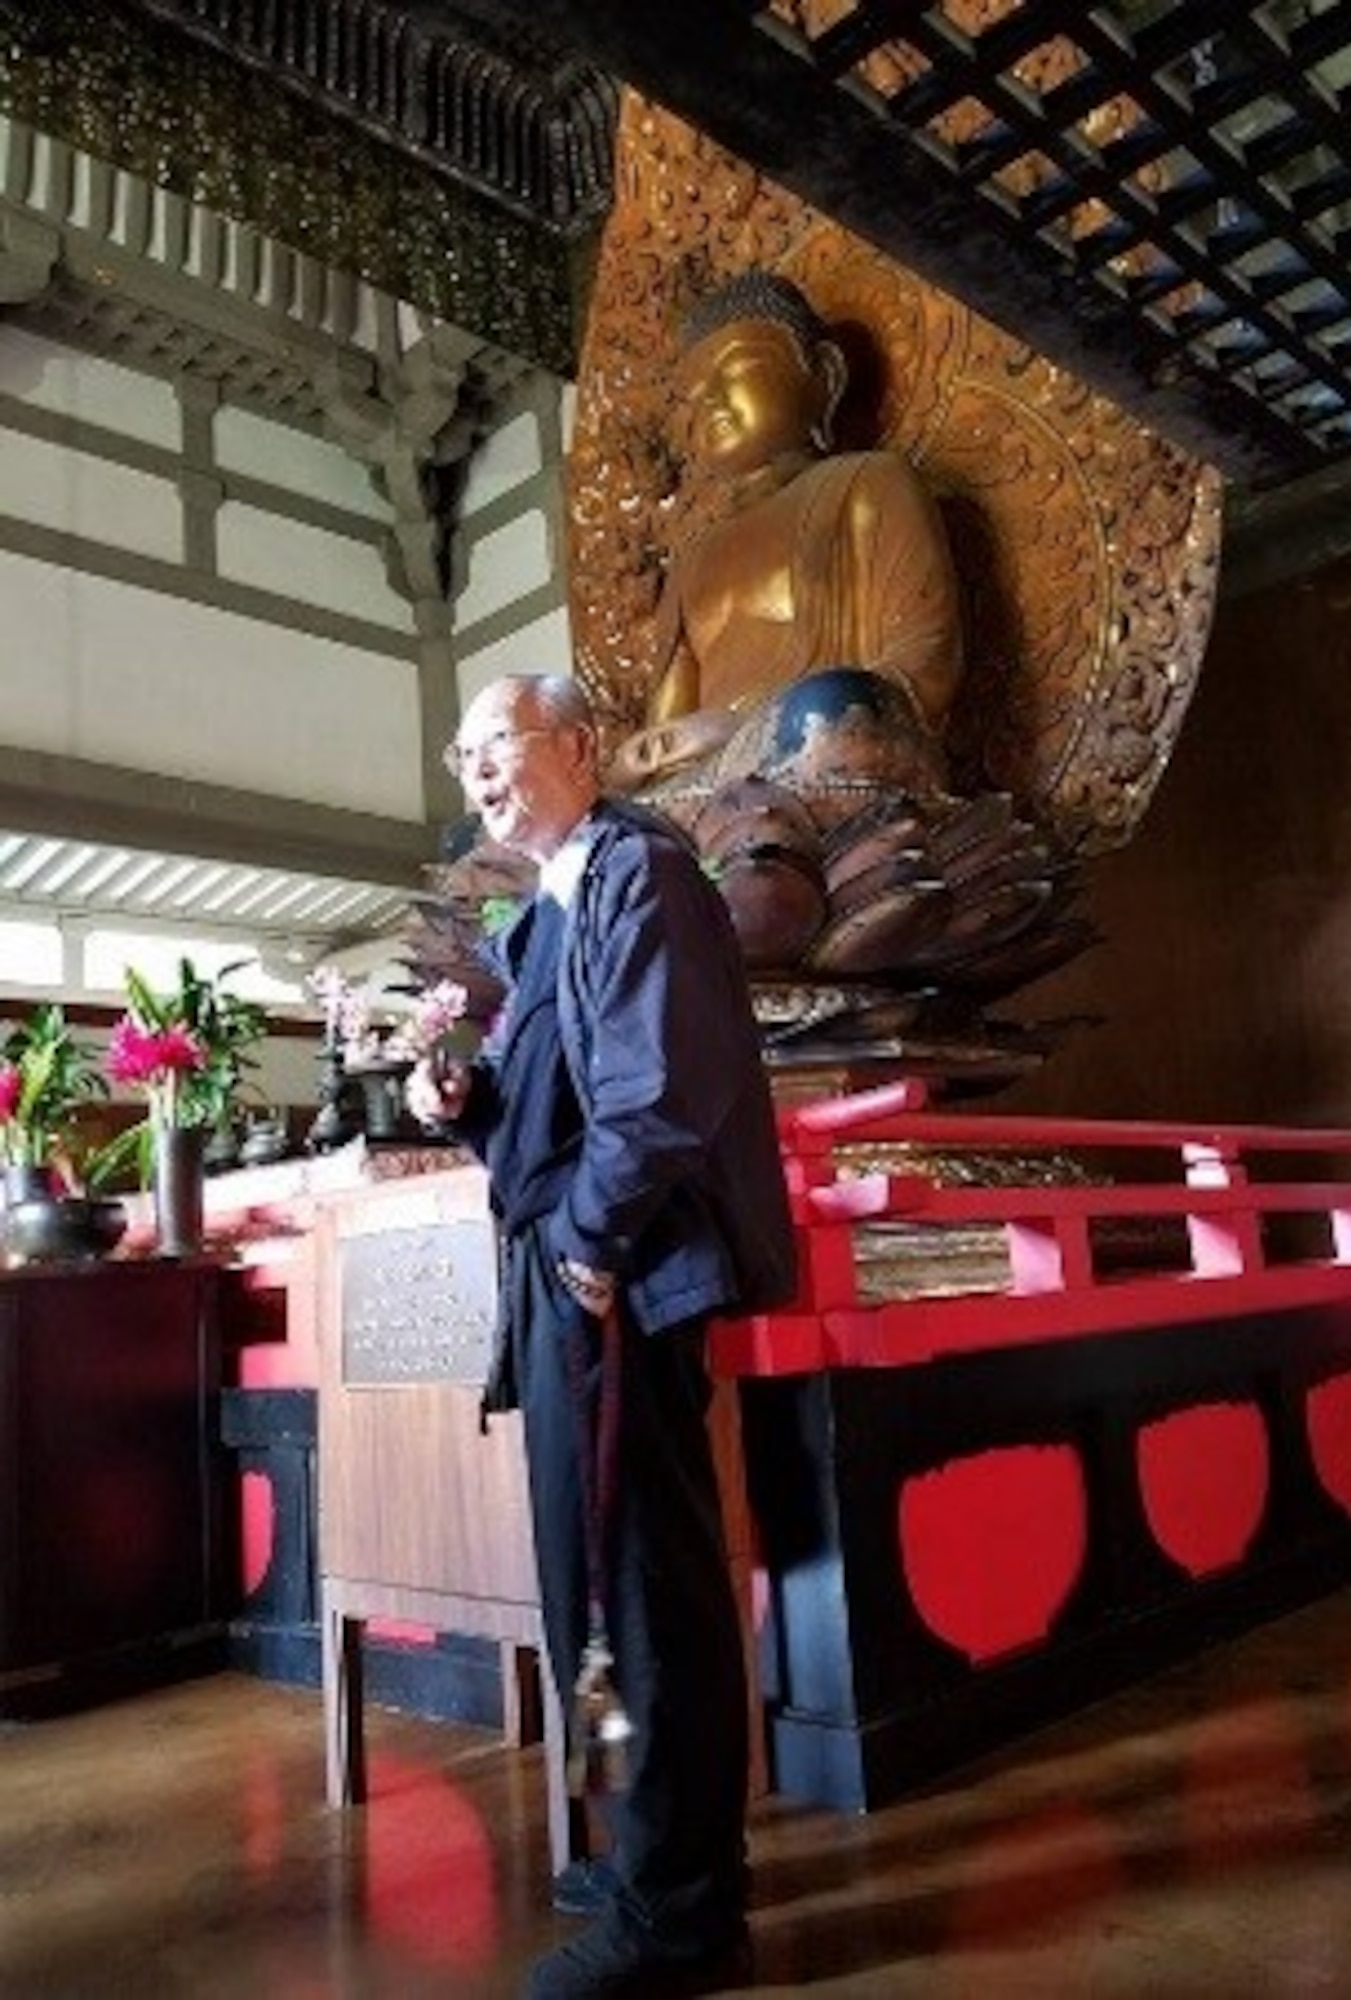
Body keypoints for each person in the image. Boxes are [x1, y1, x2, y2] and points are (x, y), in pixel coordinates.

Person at [407, 672, 796, 1999]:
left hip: (618, 1276)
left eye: (498, 743)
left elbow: (661, 1093)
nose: (475, 771)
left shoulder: (640, 873)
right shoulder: (539, 916)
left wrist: (583, 1243)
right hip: (568, 1276)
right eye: (460, 753)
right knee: (589, 1582)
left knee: (645, 1588)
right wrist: (461, 1095)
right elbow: (543, 1106)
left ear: (579, 747)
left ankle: (682, 1914)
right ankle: (643, 1843)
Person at [609, 267, 965, 792]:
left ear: (823, 375)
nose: (712, 401)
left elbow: (928, 654)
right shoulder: (690, 561)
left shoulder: (868, 482)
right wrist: (633, 769)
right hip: (717, 787)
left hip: (827, 755)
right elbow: (665, 738)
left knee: (828, 706)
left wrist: (770, 724)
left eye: (737, 371)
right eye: (696, 394)